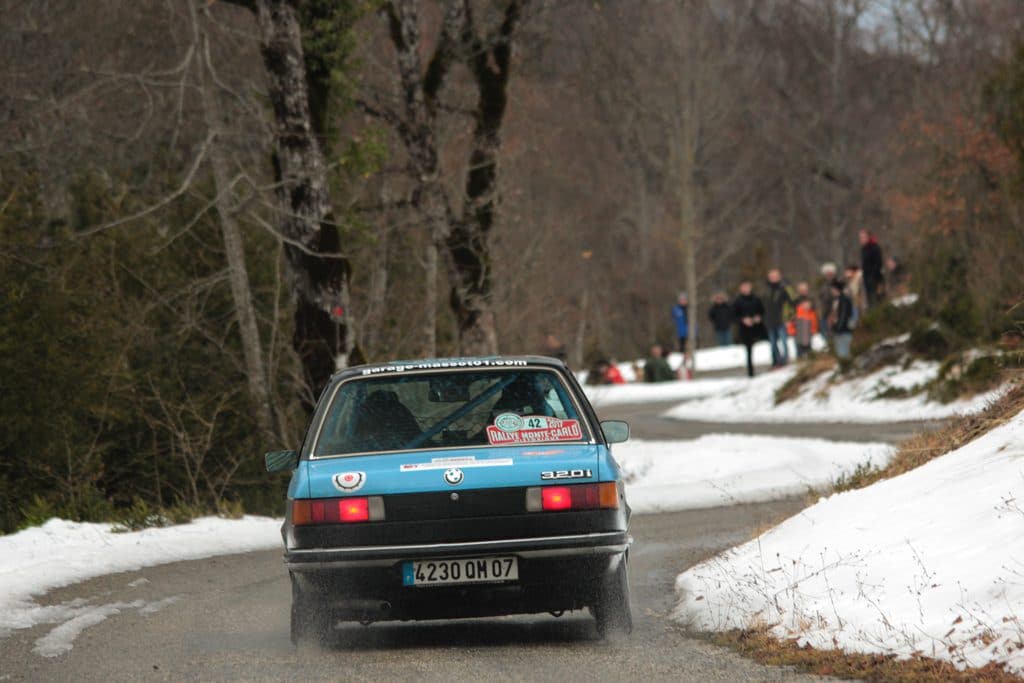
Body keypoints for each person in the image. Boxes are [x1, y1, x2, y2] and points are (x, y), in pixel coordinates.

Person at [732, 280, 765, 378]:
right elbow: (733, 316)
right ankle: (751, 372)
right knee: (749, 350)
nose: (746, 289)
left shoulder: (756, 299)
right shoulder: (737, 301)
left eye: (747, 286)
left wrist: (758, 317)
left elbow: (762, 311)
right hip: (745, 329)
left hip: (758, 328)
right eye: (744, 287)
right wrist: (743, 320)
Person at [764, 269, 793, 367]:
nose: (773, 278)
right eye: (771, 276)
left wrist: (788, 318)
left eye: (775, 276)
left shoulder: (785, 288)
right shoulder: (766, 289)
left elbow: (792, 303)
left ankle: (786, 359)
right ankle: (777, 360)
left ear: (779, 276)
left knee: (784, 340)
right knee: (773, 342)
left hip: (781, 319)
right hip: (770, 320)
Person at [827, 280, 854, 360]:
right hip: (837, 330)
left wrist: (839, 327)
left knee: (844, 353)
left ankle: (847, 367)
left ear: (837, 289)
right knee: (840, 353)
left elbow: (844, 315)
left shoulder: (844, 300)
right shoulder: (835, 300)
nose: (831, 291)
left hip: (844, 330)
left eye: (833, 289)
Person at [859, 229, 885, 309]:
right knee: (870, 301)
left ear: (868, 237)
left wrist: (872, 276)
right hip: (867, 279)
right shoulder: (863, 249)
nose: (861, 239)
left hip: (875, 279)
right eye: (860, 237)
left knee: (878, 300)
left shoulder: (875, 248)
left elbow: (879, 264)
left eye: (863, 237)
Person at [818, 263, 839, 339]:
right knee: (825, 336)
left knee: (833, 335)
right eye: (827, 273)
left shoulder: (837, 284)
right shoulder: (823, 286)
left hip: (833, 314)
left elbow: (837, 299)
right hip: (824, 314)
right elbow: (821, 299)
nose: (829, 275)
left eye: (830, 273)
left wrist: (833, 313)